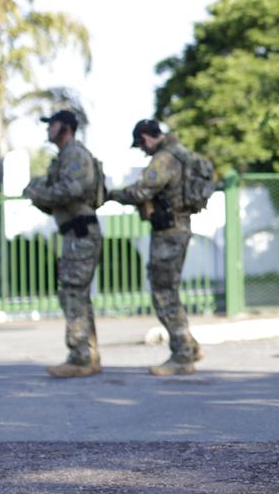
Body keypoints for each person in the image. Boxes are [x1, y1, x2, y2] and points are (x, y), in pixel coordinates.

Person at [107, 119, 203, 375]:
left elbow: (141, 192)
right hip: (179, 226)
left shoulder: (163, 159)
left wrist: (111, 194)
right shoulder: (182, 153)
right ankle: (190, 347)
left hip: (168, 231)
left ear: (148, 138)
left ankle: (182, 356)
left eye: (141, 144)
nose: (142, 150)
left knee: (163, 293)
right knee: (169, 290)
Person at [23, 110, 105, 378]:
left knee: (72, 292)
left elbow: (73, 190)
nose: (49, 129)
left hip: (80, 233)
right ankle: (86, 354)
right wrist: (39, 192)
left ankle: (81, 357)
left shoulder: (75, 155)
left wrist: (39, 193)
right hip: (74, 233)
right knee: (76, 293)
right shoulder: (64, 156)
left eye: (53, 124)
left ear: (66, 128)